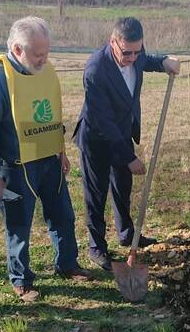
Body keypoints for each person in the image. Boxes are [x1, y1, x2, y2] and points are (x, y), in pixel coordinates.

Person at [0, 17, 93, 303]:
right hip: (16, 166)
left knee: (62, 215)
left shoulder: (45, 70)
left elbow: (52, 114)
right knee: (19, 225)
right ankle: (21, 279)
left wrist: (60, 150)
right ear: (17, 49)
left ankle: (67, 263)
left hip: (49, 160)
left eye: (46, 53)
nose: (43, 59)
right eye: (37, 54)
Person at [73, 17, 180, 271]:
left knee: (122, 188)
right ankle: (96, 248)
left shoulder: (136, 54)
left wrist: (164, 61)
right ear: (113, 42)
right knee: (96, 194)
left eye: (137, 51)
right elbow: (103, 121)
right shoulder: (96, 70)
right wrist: (129, 157)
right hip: (97, 139)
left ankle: (127, 234)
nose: (132, 58)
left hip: (121, 133)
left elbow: (147, 60)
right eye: (127, 52)